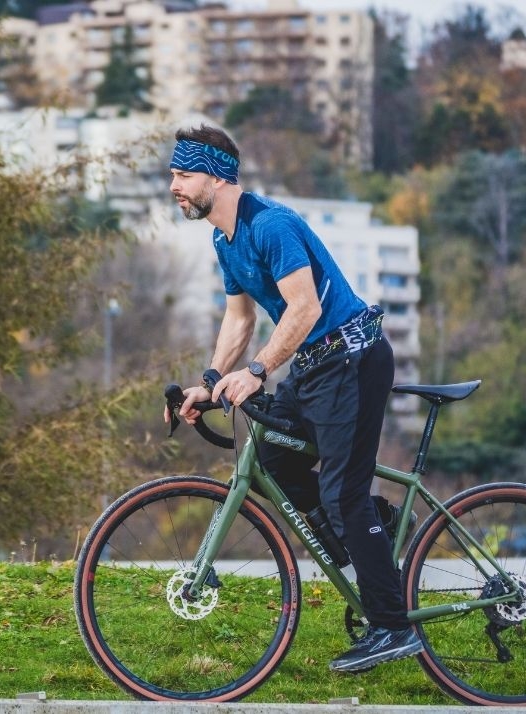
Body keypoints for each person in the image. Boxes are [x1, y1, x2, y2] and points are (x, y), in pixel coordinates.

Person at [164, 124, 422, 673]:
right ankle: (377, 532)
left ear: (218, 175)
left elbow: (302, 309)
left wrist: (257, 371)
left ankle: (394, 626)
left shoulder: (272, 225)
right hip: (313, 365)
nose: (174, 187)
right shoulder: (223, 238)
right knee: (277, 461)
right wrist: (210, 382)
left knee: (341, 494)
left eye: (183, 175)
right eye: (173, 176)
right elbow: (240, 317)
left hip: (352, 359)